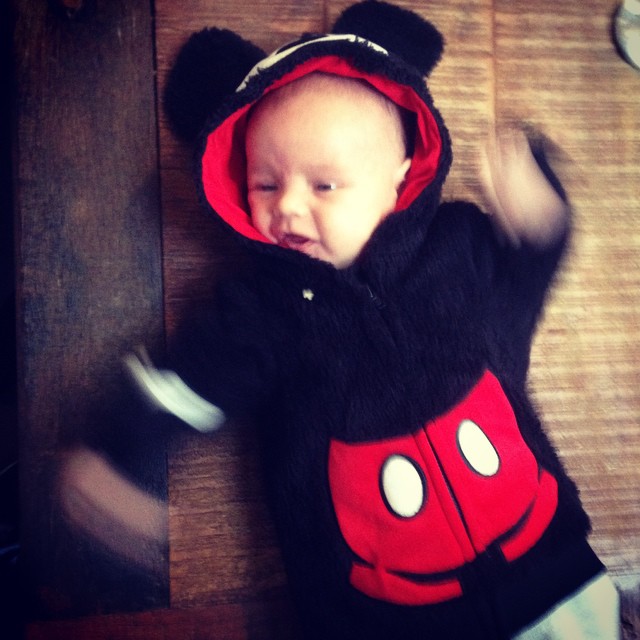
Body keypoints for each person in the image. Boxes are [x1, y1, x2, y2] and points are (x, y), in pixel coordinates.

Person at [122, 2, 621, 638]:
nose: (288, 206)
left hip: (559, 577)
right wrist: (120, 454)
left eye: (324, 185)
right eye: (265, 183)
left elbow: (524, 284)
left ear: (400, 178)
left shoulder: (458, 252)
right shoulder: (260, 312)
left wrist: (541, 221)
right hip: (383, 619)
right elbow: (181, 385)